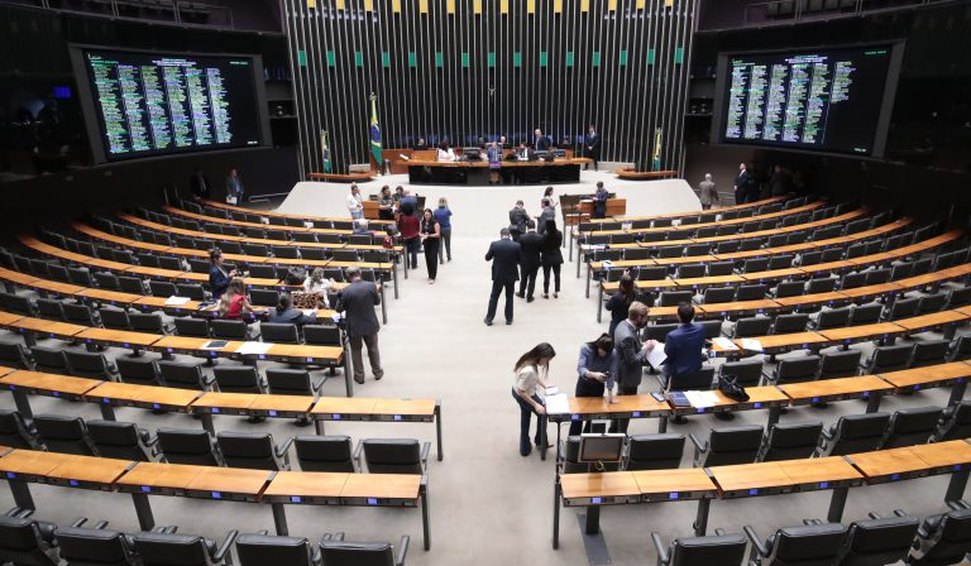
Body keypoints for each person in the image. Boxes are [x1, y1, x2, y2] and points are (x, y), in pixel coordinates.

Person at [611, 301, 657, 433]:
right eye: (646, 317)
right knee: (627, 408)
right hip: (628, 377)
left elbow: (632, 347)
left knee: (620, 402)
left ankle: (614, 430)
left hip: (622, 372)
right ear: (639, 317)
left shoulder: (622, 324)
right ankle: (621, 434)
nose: (647, 320)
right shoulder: (627, 336)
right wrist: (646, 349)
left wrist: (642, 345)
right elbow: (633, 360)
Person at [335, 266, 384, 384]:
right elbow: (377, 302)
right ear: (360, 273)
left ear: (348, 277)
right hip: (370, 323)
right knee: (373, 349)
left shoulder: (346, 291)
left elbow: (338, 309)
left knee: (356, 351)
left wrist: (339, 297)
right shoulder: (371, 286)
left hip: (354, 326)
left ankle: (359, 376)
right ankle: (377, 372)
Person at [511, 342, 556, 456]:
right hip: (524, 394)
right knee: (543, 412)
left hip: (519, 390)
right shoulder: (529, 370)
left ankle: (525, 448)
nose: (546, 363)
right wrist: (536, 405)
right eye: (546, 360)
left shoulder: (529, 358)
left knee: (525, 416)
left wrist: (544, 385)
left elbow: (533, 377)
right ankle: (540, 442)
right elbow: (522, 391)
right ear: (541, 356)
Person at [569, 334, 618, 436]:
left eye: (606, 352)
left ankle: (589, 439)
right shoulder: (586, 348)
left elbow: (612, 372)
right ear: (598, 346)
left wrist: (610, 393)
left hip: (598, 386)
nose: (604, 354)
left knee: (593, 416)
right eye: (602, 350)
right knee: (578, 414)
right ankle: (574, 440)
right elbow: (580, 368)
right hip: (584, 383)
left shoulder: (612, 353)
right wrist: (593, 375)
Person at [663, 302, 706, 391]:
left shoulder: (672, 336)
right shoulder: (701, 329)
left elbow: (667, 358)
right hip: (695, 369)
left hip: (677, 374)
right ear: (694, 315)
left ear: (678, 316)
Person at [484, 227, 521, 326]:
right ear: (509, 235)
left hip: (498, 275)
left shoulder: (495, 244)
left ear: (501, 235)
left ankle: (489, 318)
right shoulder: (516, 245)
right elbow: (520, 260)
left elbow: (487, 258)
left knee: (494, 296)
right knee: (509, 297)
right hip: (511, 275)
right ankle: (509, 318)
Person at [517, 224, 542, 302]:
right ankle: (529, 296)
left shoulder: (522, 237)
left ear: (527, 227)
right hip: (535, 260)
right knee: (532, 278)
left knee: (523, 277)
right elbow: (541, 249)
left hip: (524, 261)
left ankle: (521, 293)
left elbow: (519, 249)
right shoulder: (539, 237)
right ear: (534, 227)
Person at [541, 220, 563, 299]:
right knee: (557, 275)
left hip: (547, 256)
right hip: (556, 255)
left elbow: (542, 245)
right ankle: (556, 291)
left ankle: (546, 292)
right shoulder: (559, 233)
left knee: (546, 275)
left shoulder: (545, 235)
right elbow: (560, 244)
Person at [420, 208, 441, 284]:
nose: (427, 216)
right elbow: (420, 232)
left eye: (428, 215)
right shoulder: (422, 222)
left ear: (431, 215)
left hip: (434, 242)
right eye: (425, 215)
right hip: (426, 242)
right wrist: (422, 235)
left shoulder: (435, 223)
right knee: (428, 259)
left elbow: (437, 234)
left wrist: (429, 235)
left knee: (433, 258)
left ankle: (433, 276)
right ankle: (429, 274)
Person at [398, 202, 420, 270]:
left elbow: (399, 227)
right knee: (414, 251)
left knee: (406, 251)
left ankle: (407, 265)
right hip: (414, 236)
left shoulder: (402, 218)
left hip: (405, 236)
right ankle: (414, 265)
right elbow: (418, 227)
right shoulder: (415, 218)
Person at [433, 197, 453, 263]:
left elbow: (434, 219)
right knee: (447, 244)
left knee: (439, 245)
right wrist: (447, 206)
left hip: (439, 229)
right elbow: (450, 214)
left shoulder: (435, 211)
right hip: (447, 228)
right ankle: (449, 257)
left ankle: (441, 259)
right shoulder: (447, 210)